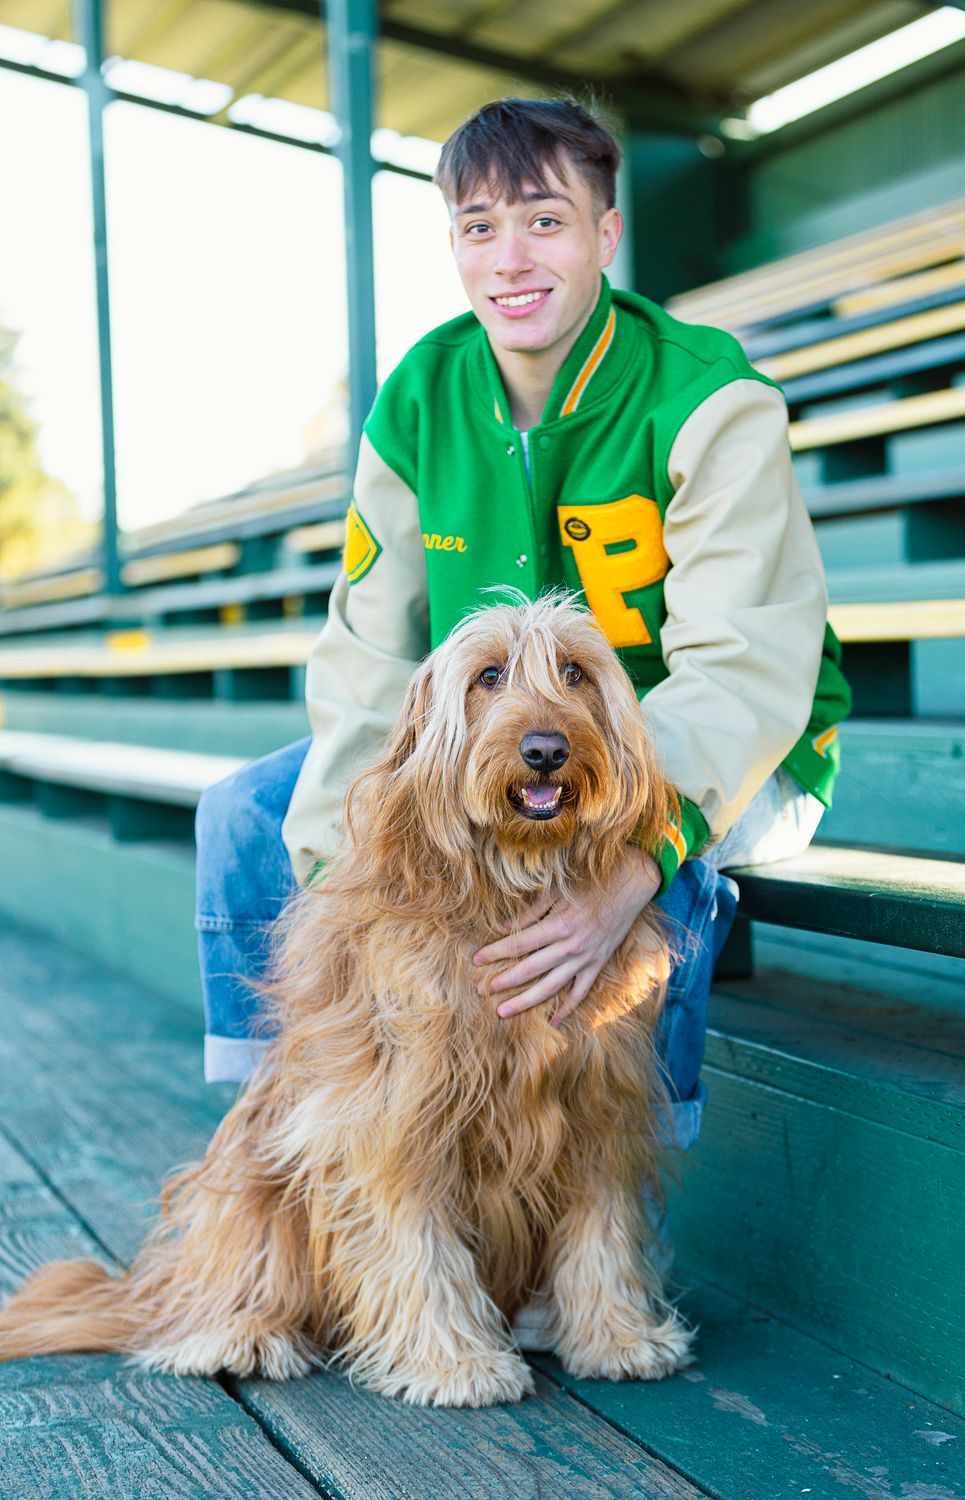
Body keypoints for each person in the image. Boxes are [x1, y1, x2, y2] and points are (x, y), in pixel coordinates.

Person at [196, 97, 850, 1177]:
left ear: (605, 234)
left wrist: (640, 855)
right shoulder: (419, 399)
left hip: (723, 758)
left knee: (630, 881)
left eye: (544, 221)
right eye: (478, 226)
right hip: (497, 757)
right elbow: (371, 661)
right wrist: (337, 884)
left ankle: (609, 1207)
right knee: (251, 818)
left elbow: (744, 669)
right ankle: (293, 1142)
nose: (510, 259)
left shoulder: (708, 397)